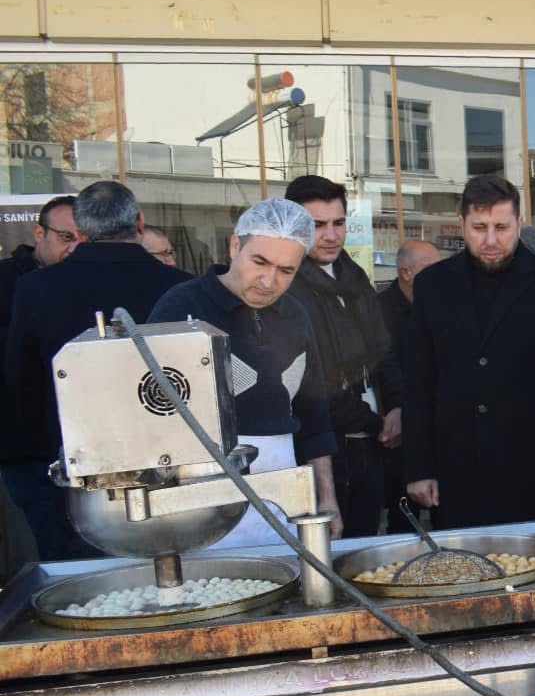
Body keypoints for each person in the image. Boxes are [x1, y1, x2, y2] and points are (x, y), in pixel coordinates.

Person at [5, 182, 190, 560]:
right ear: (139, 223)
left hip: (69, 464)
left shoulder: (35, 288)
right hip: (165, 465)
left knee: (80, 581)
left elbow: (21, 381)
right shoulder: (180, 286)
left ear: (82, 229)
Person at [149, 199, 341, 546]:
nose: (269, 281)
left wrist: (326, 496)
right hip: (202, 491)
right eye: (260, 262)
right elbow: (153, 416)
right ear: (235, 245)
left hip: (284, 483)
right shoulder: (182, 307)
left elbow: (314, 413)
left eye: (286, 270)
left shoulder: (295, 315)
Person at [405, 175, 535, 529]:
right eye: (479, 227)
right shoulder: (431, 285)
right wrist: (418, 467)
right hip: (457, 471)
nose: (491, 240)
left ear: (519, 222)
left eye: (501, 227)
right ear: (461, 224)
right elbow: (419, 380)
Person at [283, 175, 398, 539]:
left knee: (365, 550)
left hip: (372, 442)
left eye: (338, 223)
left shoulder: (354, 274)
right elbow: (312, 383)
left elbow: (383, 349)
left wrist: (396, 408)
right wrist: (376, 423)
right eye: (317, 225)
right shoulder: (287, 286)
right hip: (324, 447)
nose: (331, 235)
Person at [0, 196, 83, 559]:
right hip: (26, 447)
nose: (75, 248)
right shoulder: (6, 282)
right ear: (39, 233)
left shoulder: (83, 282)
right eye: (66, 237)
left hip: (83, 446)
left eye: (83, 240)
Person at [378, 239, 442, 530]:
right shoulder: (381, 309)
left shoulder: (441, 305)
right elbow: (385, 360)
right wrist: (400, 405)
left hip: (435, 415)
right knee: (401, 509)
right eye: (432, 268)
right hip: (395, 419)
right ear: (406, 272)